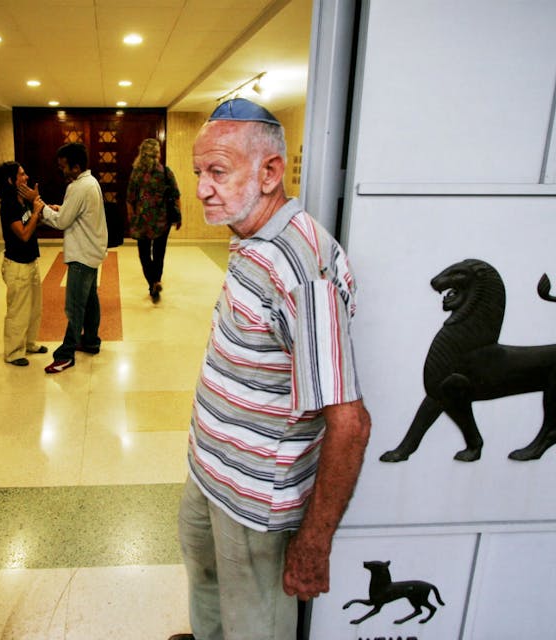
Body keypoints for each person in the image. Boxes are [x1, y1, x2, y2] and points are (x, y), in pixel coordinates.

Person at [170, 98, 372, 640]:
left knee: (254, 626)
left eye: (217, 172)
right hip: (212, 472)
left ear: (269, 172)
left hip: (255, 500)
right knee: (205, 585)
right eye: (198, 173)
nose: (201, 189)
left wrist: (314, 541)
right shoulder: (250, 239)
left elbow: (351, 424)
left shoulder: (302, 271)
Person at [33, 142, 108, 374]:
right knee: (90, 300)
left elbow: (62, 222)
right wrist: (59, 208)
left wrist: (40, 207)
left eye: (64, 166)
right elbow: (74, 213)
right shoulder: (91, 182)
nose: (62, 170)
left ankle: (66, 355)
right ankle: (91, 341)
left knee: (75, 306)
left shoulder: (77, 187)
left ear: (76, 167)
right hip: (93, 251)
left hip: (81, 255)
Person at [0, 161, 46, 366]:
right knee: (18, 311)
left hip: (30, 261)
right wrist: (35, 211)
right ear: (10, 180)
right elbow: (24, 234)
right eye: (21, 175)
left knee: (34, 307)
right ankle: (14, 352)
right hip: (16, 266)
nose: (26, 177)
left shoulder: (22, 199)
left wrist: (40, 208)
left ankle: (29, 343)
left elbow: (32, 224)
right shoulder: (8, 205)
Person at [126, 137, 181, 301]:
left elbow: (130, 199)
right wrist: (179, 216)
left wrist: (132, 218)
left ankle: (152, 282)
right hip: (162, 221)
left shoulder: (136, 174)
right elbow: (176, 195)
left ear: (141, 153)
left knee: (144, 254)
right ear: (157, 153)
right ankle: (156, 280)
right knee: (159, 253)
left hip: (142, 221)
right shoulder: (165, 171)